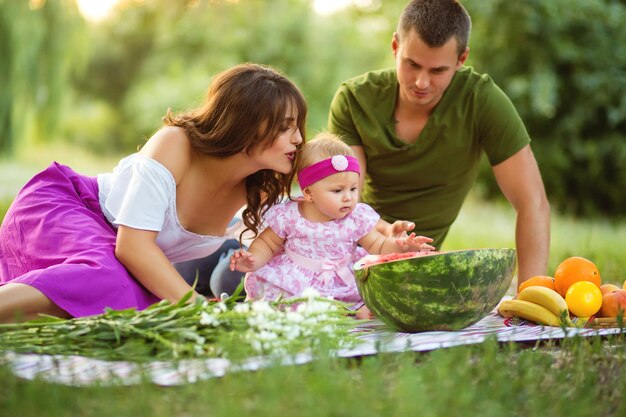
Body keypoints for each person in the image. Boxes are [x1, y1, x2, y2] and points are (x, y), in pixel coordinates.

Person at [0, 63, 307, 322]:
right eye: (286, 127)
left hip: (110, 253)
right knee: (118, 283)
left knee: (137, 300)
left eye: (298, 127)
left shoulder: (259, 188)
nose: (298, 138)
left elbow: (311, 225)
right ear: (246, 124)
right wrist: (199, 312)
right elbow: (132, 248)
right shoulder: (176, 145)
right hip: (66, 206)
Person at [327, 0, 550, 286]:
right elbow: (343, 203)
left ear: (461, 59)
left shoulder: (481, 101)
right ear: (395, 47)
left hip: (423, 264)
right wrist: (382, 246)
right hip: (356, 252)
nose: (421, 82)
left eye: (437, 71)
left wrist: (531, 294)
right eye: (412, 64)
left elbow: (532, 202)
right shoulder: (354, 100)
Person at [229, 133, 434, 318]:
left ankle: (354, 309)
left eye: (353, 189)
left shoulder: (355, 218)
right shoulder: (290, 215)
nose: (348, 198)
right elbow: (267, 244)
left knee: (375, 289)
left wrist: (401, 246)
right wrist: (253, 261)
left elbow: (379, 246)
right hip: (298, 281)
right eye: (337, 191)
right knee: (282, 302)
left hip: (342, 281)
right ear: (309, 193)